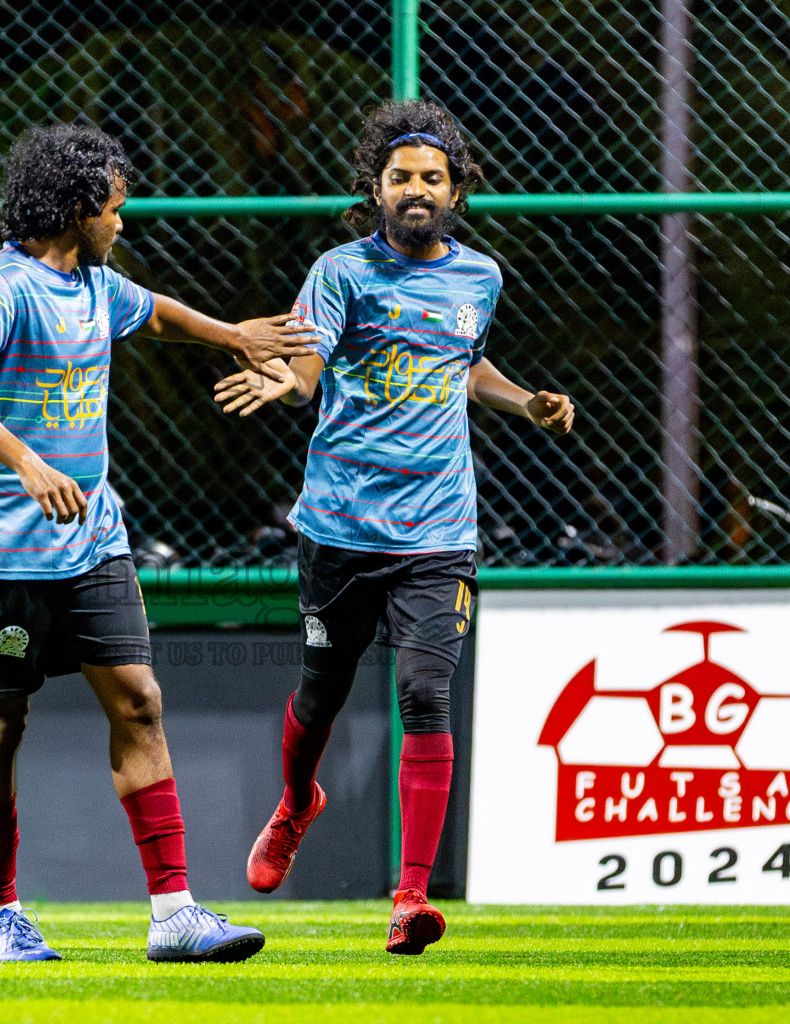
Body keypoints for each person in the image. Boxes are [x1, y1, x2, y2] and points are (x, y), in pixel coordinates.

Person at [0, 123, 315, 963]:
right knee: (1, 719)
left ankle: (174, 913)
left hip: (95, 540)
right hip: (5, 552)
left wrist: (234, 335)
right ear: (75, 207)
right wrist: (26, 461)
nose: (122, 223)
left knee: (139, 698)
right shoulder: (0, 287)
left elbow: (159, 316)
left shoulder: (97, 285)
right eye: (115, 209)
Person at [214, 101, 575, 955]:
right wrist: (288, 387)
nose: (417, 190)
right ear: (374, 187)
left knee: (426, 692)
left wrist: (525, 401)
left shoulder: (479, 277)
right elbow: (308, 365)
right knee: (320, 696)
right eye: (402, 176)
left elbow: (466, 362)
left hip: (440, 530)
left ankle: (409, 898)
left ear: (456, 189)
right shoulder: (340, 272)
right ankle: (299, 801)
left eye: (432, 178)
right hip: (340, 527)